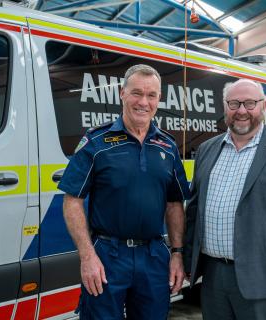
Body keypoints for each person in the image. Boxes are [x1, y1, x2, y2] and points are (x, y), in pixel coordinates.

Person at [58, 64, 190, 319]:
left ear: (158, 99)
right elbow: (72, 200)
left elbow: (175, 204)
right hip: (108, 256)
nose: (144, 102)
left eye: (151, 95)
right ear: (122, 94)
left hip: (153, 256)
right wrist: (88, 256)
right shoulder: (97, 142)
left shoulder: (168, 146)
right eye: (136, 93)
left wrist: (177, 254)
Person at [184, 79, 266, 320]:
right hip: (213, 277)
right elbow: (194, 212)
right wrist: (186, 262)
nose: (242, 111)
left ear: (263, 105)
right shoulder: (207, 149)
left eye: (250, 103)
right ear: (225, 107)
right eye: (234, 103)